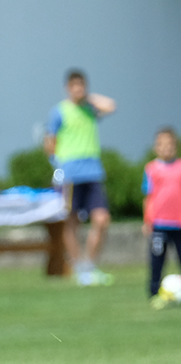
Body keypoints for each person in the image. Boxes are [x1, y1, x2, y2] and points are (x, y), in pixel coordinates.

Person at [45, 69, 117, 287]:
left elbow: (111, 106)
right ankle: (79, 268)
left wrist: (87, 98)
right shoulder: (60, 111)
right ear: (67, 88)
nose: (78, 90)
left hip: (93, 171)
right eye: (74, 86)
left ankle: (90, 265)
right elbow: (50, 141)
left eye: (81, 86)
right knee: (71, 221)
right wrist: (56, 165)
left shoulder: (89, 108)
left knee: (102, 219)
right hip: (70, 173)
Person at [144, 127, 181, 301]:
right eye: (162, 145)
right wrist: (147, 220)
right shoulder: (151, 168)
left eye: (170, 144)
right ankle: (154, 292)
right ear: (156, 148)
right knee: (157, 259)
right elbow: (148, 197)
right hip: (160, 222)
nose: (166, 148)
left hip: (179, 222)